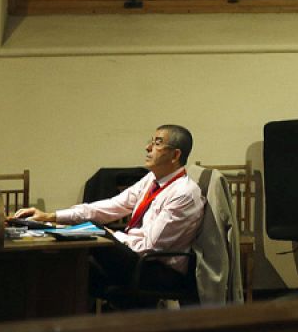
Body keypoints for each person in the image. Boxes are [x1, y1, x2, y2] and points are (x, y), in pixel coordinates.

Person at [13, 124, 206, 307]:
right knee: (72, 263)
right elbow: (112, 206)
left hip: (157, 269)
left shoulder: (184, 193)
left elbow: (149, 246)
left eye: (157, 143)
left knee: (89, 240)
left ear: (175, 155)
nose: (148, 147)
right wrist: (51, 216)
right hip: (137, 257)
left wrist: (108, 235)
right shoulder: (152, 180)